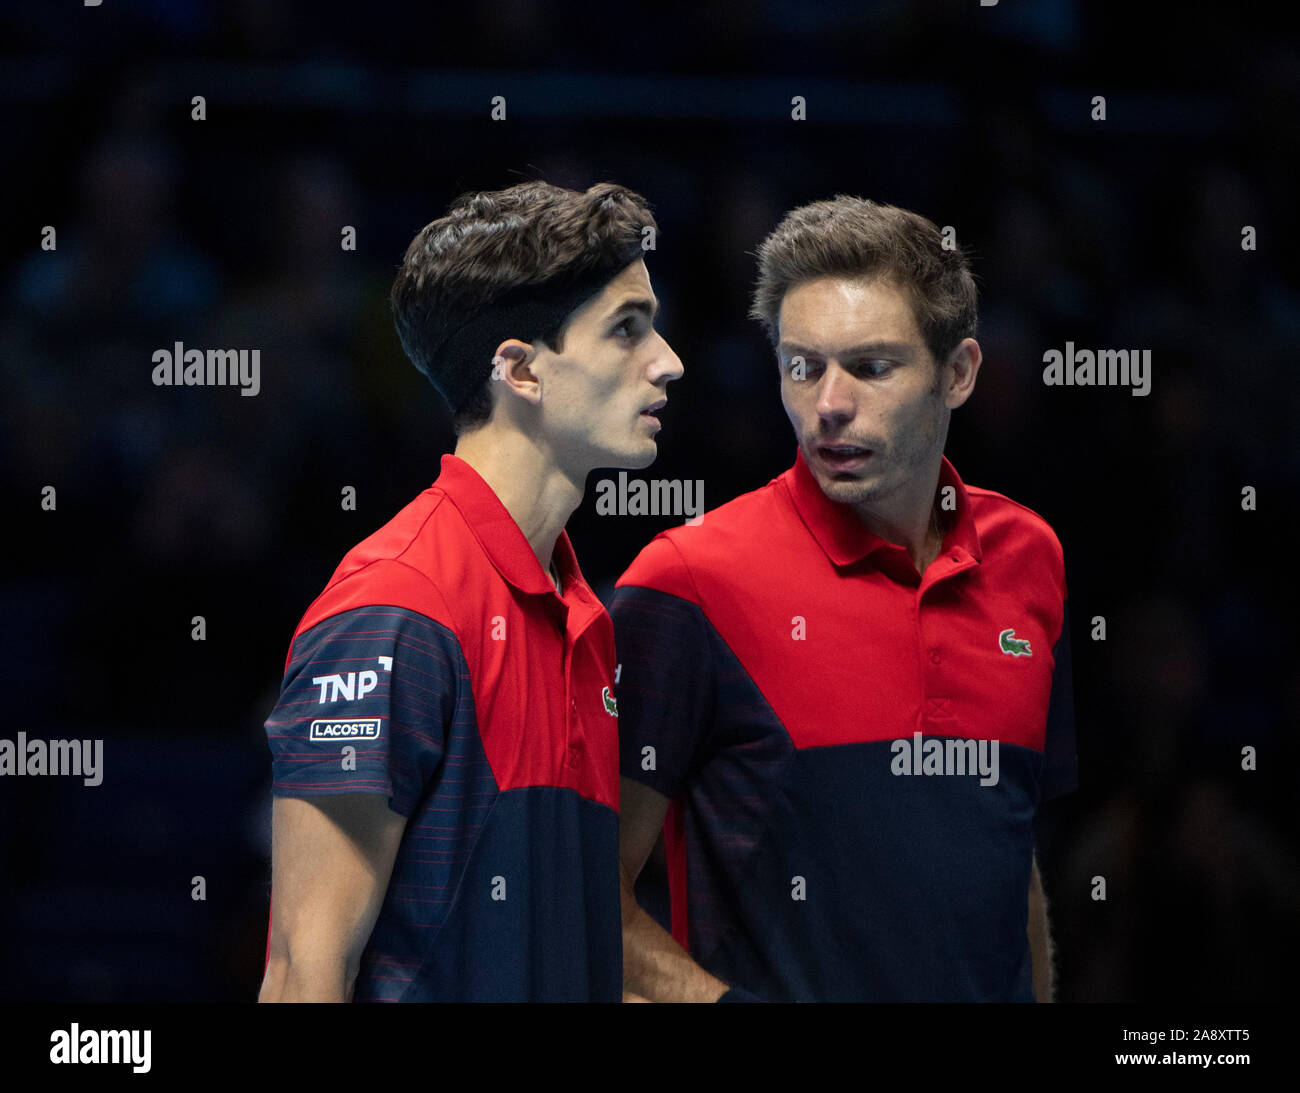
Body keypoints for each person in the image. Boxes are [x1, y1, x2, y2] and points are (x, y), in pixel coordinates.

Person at [612, 195, 1077, 1002]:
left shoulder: (1031, 557)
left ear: (958, 373)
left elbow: (1012, 856)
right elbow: (584, 890)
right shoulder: (687, 580)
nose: (829, 403)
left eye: (870, 366)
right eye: (803, 365)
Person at [258, 180, 682, 1002]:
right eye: (627, 329)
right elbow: (302, 973)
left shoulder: (583, 615)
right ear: (520, 369)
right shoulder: (394, 612)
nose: (668, 358)